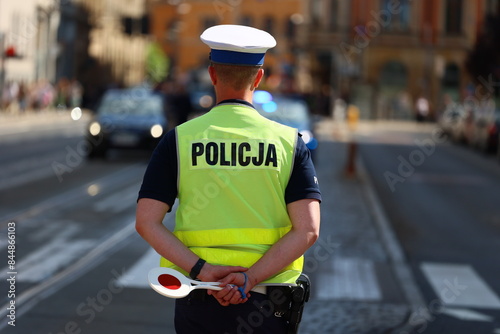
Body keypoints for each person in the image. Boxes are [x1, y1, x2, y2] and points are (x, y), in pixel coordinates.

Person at [136, 24, 321, 334]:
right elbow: (309, 229)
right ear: (259, 77)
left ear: (212, 74)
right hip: (268, 303)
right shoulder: (290, 143)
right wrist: (250, 278)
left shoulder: (179, 140)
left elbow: (146, 222)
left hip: (199, 298)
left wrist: (202, 270)